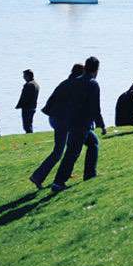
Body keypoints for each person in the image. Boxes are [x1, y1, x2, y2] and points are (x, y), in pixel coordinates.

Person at [51, 57, 106, 192]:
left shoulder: (75, 81)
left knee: (92, 143)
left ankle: (90, 174)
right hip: (82, 123)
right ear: (96, 70)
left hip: (72, 121)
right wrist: (102, 125)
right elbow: (95, 108)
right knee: (72, 152)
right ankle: (58, 182)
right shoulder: (93, 84)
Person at [31, 63, 85, 188]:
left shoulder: (65, 83)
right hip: (62, 119)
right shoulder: (75, 85)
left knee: (69, 147)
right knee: (60, 151)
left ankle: (63, 173)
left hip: (56, 118)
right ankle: (38, 177)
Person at [15, 69, 40, 133]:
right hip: (33, 106)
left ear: (28, 76)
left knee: (26, 125)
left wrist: (19, 105)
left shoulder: (29, 85)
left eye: (24, 76)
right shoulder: (36, 84)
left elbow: (24, 97)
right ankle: (30, 135)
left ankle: (29, 135)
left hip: (27, 107)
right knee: (29, 123)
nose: (23, 77)